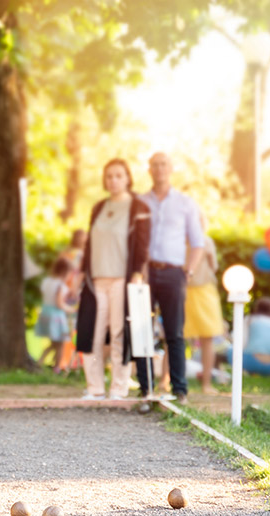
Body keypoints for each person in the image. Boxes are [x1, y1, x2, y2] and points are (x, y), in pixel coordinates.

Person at [76, 158, 151, 400]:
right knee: (92, 334)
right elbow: (89, 245)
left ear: (128, 178)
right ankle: (95, 387)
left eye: (119, 175)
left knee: (120, 333)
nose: (114, 180)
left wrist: (137, 275)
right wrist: (80, 273)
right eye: (109, 176)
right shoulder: (98, 207)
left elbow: (142, 245)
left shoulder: (138, 207)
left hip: (123, 279)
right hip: (95, 281)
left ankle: (118, 387)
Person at [136, 153, 205, 404]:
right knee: (142, 330)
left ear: (171, 169)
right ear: (149, 169)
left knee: (174, 331)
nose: (159, 169)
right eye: (154, 164)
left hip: (174, 273)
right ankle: (145, 389)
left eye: (164, 164)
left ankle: (179, 389)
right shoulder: (140, 201)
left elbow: (198, 243)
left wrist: (188, 271)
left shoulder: (186, 203)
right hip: (144, 273)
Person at [183, 217, 224, 394]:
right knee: (201, 338)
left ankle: (165, 381)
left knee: (176, 338)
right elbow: (213, 266)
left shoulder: (180, 242)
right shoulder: (206, 241)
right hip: (193, 292)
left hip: (196, 292)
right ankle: (206, 384)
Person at [36, 257, 76, 372]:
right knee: (60, 344)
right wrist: (71, 309)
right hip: (56, 317)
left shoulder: (47, 282)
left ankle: (41, 362)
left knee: (53, 344)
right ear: (65, 272)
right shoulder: (60, 285)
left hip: (46, 314)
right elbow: (60, 304)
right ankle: (56, 367)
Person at [227, 297, 270, 376]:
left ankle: (248, 371)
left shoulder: (250, 319)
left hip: (250, 362)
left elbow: (239, 342)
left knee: (230, 350)